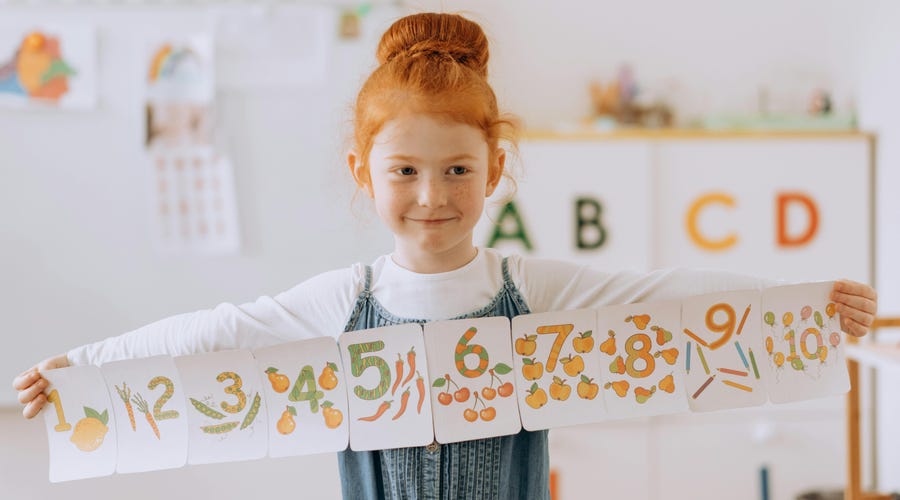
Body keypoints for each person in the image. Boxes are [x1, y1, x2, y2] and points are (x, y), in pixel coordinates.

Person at [12, 12, 877, 500]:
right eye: (407, 172)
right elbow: (215, 333)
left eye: (459, 169)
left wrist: (804, 306)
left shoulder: (527, 286)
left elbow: (658, 295)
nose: (433, 195)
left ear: (495, 168)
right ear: (365, 173)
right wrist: (82, 368)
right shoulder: (341, 301)